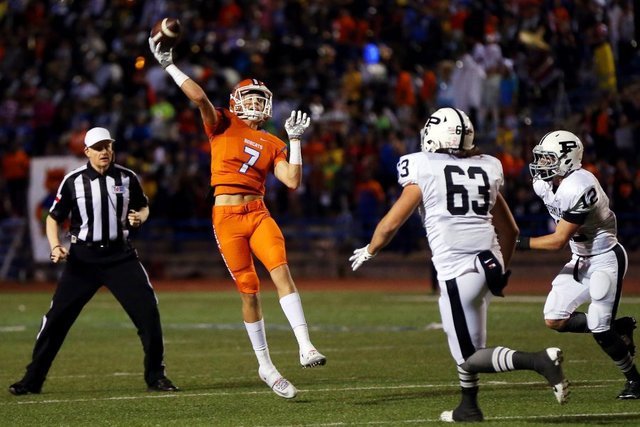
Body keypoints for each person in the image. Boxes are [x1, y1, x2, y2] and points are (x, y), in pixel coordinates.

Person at [349, 107, 569, 422]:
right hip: (490, 262)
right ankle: (469, 406)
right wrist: (502, 271)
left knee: (469, 356)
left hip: (457, 270)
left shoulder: (422, 167)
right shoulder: (487, 167)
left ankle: (539, 361)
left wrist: (371, 249)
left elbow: (392, 222)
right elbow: (511, 230)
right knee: (468, 342)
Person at [148, 36, 326, 399]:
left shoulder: (274, 142)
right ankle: (265, 365)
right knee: (249, 291)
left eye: (262, 100)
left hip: (257, 212)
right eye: (251, 98)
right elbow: (198, 98)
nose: (257, 104)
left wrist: (295, 141)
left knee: (281, 270)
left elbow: (292, 180)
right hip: (226, 216)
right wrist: (169, 65)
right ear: (236, 102)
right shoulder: (222, 123)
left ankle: (306, 345)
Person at [8, 127, 178, 395]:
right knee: (56, 320)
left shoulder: (127, 177)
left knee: (148, 314)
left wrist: (139, 217)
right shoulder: (73, 180)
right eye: (98, 147)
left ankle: (156, 376)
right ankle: (32, 380)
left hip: (120, 255)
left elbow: (143, 205)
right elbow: (53, 217)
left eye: (108, 146)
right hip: (83, 259)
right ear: (86, 151)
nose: (105, 152)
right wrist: (55, 246)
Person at [517, 129, 639, 399]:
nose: (542, 164)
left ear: (567, 160)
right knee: (554, 317)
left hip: (605, 258)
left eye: (549, 159)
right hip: (581, 257)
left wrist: (516, 243)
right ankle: (618, 327)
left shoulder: (581, 186)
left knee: (599, 326)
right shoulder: (546, 182)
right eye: (542, 158)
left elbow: (558, 240)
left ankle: (635, 380)